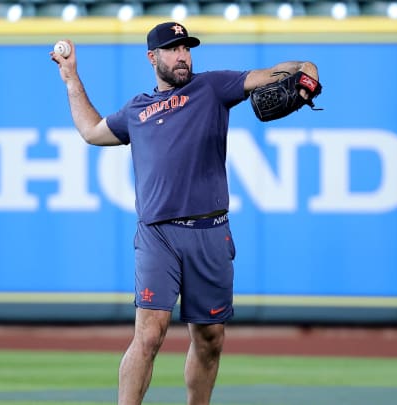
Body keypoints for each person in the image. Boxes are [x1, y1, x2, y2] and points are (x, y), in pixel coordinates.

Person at [51, 21, 319, 405]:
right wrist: (71, 77)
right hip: (158, 235)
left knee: (210, 339)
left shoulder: (211, 87)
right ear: (152, 57)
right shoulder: (137, 110)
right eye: (174, 49)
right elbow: (92, 130)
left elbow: (284, 71)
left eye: (187, 48)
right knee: (149, 332)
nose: (183, 56)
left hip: (210, 231)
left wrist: (308, 70)